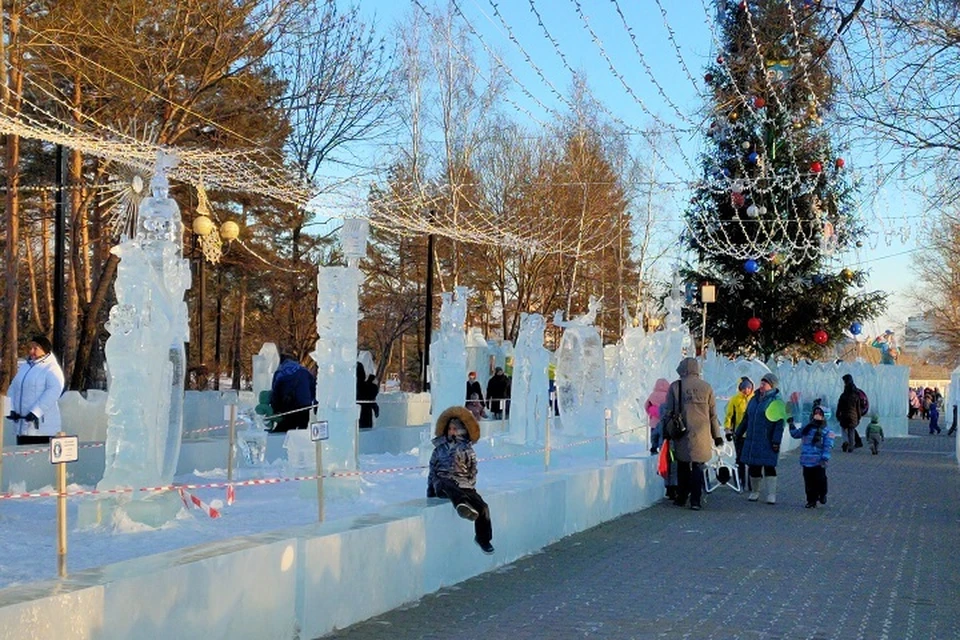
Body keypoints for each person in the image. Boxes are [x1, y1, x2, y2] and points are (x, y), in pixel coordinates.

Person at [426, 406, 494, 554]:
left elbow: (472, 469)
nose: (452, 432)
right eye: (450, 429)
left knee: (483, 507)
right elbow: (432, 470)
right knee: (448, 482)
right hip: (443, 483)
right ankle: (462, 504)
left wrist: (471, 486)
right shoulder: (439, 449)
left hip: (463, 484)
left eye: (455, 429)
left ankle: (483, 539)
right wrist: (430, 490)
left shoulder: (467, 449)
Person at [660, 357, 723, 511]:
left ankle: (682, 497)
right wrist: (717, 436)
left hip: (682, 432)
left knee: (682, 465)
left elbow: (668, 412)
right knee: (698, 466)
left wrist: (665, 433)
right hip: (702, 433)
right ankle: (696, 500)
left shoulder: (676, 386)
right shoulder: (707, 387)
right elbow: (713, 415)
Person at [736, 372, 786, 504]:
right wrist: (739, 432)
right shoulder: (754, 399)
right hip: (753, 439)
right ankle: (755, 491)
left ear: (772, 386)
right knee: (754, 466)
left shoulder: (776, 401)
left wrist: (776, 441)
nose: (762, 385)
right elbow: (747, 418)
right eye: (761, 383)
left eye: (765, 383)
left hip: (768, 440)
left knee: (769, 466)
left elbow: (779, 424)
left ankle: (771, 494)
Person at [5, 335, 65, 445]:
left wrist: (36, 412)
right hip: (22, 426)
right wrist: (9, 408)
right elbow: (13, 387)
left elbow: (54, 391)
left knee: (40, 459)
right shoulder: (25, 367)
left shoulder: (51, 368)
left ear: (45, 350)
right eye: (30, 348)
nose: (31, 351)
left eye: (35, 348)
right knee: (24, 458)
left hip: (41, 427)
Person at [788, 405, 835, 508]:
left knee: (821, 480)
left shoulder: (827, 431)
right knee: (809, 482)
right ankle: (811, 500)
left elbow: (828, 445)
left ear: (824, 416)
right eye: (815, 413)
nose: (817, 415)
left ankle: (822, 494)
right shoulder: (807, 428)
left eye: (819, 414)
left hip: (819, 461)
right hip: (806, 460)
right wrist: (791, 424)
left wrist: (825, 457)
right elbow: (796, 434)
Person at [269, 352, 317, 432]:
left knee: (284, 430)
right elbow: (314, 389)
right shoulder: (305, 371)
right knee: (301, 432)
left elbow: (275, 392)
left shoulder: (280, 372)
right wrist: (315, 404)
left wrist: (275, 409)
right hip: (304, 406)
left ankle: (275, 443)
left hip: (289, 407)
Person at [724, 376, 754, 489]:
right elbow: (729, 416)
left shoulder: (754, 399)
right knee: (740, 459)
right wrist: (728, 430)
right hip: (739, 434)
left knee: (751, 460)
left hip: (751, 434)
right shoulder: (735, 399)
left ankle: (752, 484)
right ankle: (740, 481)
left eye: (749, 388)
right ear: (740, 388)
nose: (746, 390)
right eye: (744, 388)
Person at [836, 373, 865, 452]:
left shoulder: (843, 396)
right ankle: (851, 446)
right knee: (851, 430)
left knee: (843, 429)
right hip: (853, 417)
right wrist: (859, 417)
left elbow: (839, 407)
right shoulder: (856, 396)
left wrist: (837, 415)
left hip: (844, 416)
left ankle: (845, 442)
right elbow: (858, 408)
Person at [645, 378, 670, 454]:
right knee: (662, 436)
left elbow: (646, 405)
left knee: (654, 436)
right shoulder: (668, 396)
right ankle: (662, 448)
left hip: (654, 422)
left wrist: (650, 412)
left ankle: (653, 447)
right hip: (664, 422)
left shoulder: (652, 395)